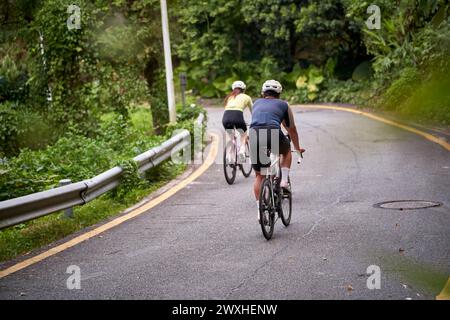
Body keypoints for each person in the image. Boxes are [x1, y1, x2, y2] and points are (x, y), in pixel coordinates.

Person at [249, 79, 305, 220]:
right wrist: (297, 148)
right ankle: (284, 181)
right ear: (279, 93)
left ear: (263, 93)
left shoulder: (256, 103)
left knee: (259, 176)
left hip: (254, 134)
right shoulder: (283, 105)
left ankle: (259, 211)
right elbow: (291, 129)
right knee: (286, 151)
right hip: (273, 133)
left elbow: (263, 120)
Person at [222, 80, 253, 162]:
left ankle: (229, 156)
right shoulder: (247, 97)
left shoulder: (229, 97)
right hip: (237, 117)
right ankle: (242, 151)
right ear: (243, 89)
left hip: (226, 118)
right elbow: (253, 111)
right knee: (244, 135)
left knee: (230, 136)